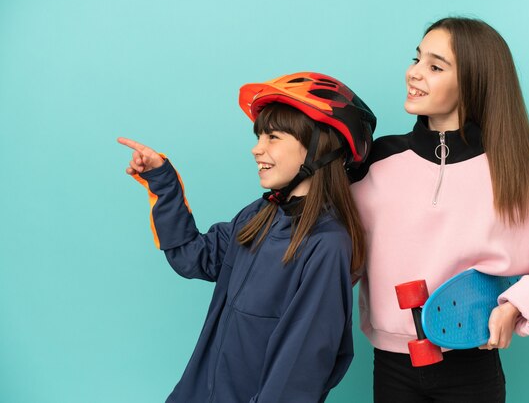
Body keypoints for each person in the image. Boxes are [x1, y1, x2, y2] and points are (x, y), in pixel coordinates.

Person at [349, 17, 529, 402]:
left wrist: (518, 305)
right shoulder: (378, 159)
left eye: (435, 67)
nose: (414, 74)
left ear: (472, 83)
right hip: (390, 365)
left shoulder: (511, 171)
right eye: (416, 59)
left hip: (471, 369)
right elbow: (332, 237)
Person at [118, 72, 377, 403]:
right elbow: (190, 254)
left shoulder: (326, 245)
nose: (257, 149)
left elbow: (301, 369)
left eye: (272, 137)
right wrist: (162, 181)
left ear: (318, 147)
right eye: (259, 137)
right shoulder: (259, 215)